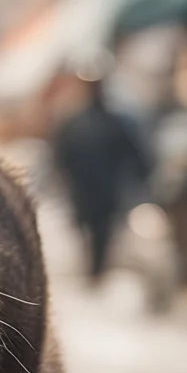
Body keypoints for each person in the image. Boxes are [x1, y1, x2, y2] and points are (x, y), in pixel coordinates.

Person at [53, 77, 150, 279]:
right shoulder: (76, 123)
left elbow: (134, 154)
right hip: (85, 188)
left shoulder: (112, 122)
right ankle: (95, 268)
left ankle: (97, 269)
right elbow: (62, 157)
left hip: (103, 189)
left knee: (101, 231)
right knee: (90, 229)